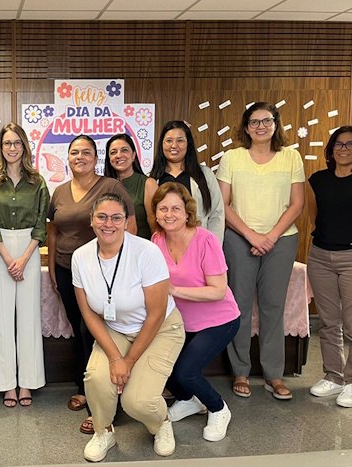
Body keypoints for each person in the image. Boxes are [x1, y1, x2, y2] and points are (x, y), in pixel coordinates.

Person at [73, 193, 185, 461]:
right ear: (91, 220)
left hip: (160, 329)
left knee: (137, 402)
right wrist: (115, 358)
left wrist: (128, 361)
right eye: (101, 217)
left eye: (116, 218)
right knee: (97, 379)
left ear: (126, 222)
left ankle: (161, 423)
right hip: (116, 328)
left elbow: (156, 315)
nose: (108, 223)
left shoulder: (146, 252)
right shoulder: (80, 257)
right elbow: (89, 314)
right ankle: (103, 432)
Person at [48, 134, 136, 435]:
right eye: (74, 152)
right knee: (80, 329)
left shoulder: (111, 187)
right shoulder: (59, 191)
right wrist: (52, 268)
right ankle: (86, 385)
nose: (80, 157)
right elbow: (53, 231)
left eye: (86, 152)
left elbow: (130, 227)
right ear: (68, 158)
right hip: (66, 269)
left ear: (96, 158)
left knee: (97, 329)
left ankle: (106, 394)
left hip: (101, 272)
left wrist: (124, 269)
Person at [217, 102, 305, 400]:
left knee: (273, 307)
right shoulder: (232, 157)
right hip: (239, 239)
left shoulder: (291, 157)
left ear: (276, 124)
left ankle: (273, 374)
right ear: (246, 127)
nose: (261, 126)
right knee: (239, 306)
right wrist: (252, 235)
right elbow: (222, 205)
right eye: (254, 122)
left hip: (282, 240)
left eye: (267, 120)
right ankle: (240, 371)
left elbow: (297, 204)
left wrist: (270, 237)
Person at [151, 182, 240, 442]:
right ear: (155, 212)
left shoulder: (206, 240)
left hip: (219, 320)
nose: (169, 214)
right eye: (163, 208)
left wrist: (174, 290)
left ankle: (218, 408)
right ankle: (188, 401)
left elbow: (218, 291)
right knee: (160, 364)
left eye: (176, 208)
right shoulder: (156, 240)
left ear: (188, 212)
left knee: (185, 372)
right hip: (180, 322)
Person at [0, 123, 49, 407]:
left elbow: (41, 225)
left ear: (24, 146)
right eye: (7, 143)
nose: (12, 148)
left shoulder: (38, 182)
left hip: (29, 250)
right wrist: (9, 259)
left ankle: (27, 382)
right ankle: (6, 383)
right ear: (1, 147)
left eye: (17, 143)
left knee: (29, 318)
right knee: (0, 319)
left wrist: (23, 258)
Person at [306, 125, 352, 408]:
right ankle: (334, 376)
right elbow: (315, 216)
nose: (344, 149)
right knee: (329, 321)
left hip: (351, 256)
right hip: (321, 255)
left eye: (350, 144)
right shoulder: (318, 179)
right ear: (331, 149)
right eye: (339, 144)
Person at [151, 121, 225, 242]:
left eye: (180, 140)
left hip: (199, 244)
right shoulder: (152, 179)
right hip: (164, 246)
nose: (174, 145)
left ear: (188, 144)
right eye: (169, 141)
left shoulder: (205, 174)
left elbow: (217, 214)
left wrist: (212, 246)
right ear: (162, 144)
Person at [104, 133, 158, 239]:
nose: (119, 155)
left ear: (133, 155)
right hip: (110, 246)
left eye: (124, 150)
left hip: (141, 246)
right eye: (113, 152)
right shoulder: (104, 185)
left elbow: (155, 226)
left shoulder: (148, 184)